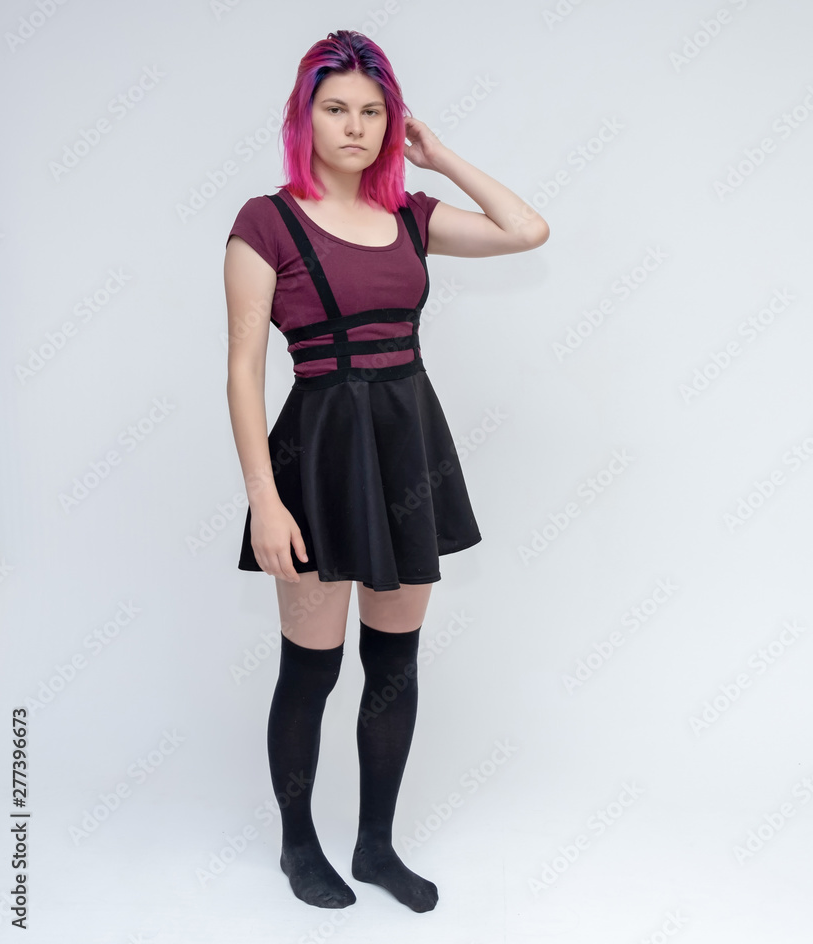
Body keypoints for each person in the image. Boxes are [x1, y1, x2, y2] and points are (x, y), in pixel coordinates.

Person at [223, 30, 549, 914]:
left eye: (373, 111)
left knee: (395, 664)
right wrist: (264, 497)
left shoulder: (411, 214)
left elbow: (528, 230)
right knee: (312, 668)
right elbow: (242, 368)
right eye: (337, 109)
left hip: (409, 450)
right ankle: (300, 849)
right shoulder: (266, 222)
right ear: (305, 116)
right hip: (317, 459)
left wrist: (439, 155)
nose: (357, 126)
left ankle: (375, 847)